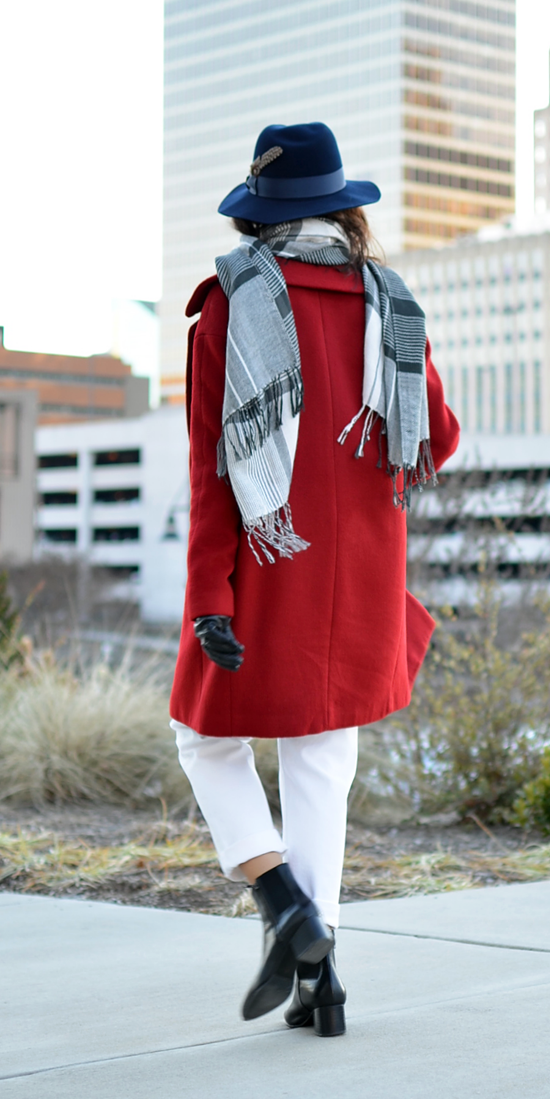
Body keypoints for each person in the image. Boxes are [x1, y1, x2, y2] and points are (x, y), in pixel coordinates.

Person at [169, 121, 460, 1037]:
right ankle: (321, 980)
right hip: (363, 570)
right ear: (342, 209)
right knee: (323, 761)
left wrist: (210, 596)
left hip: (269, 561)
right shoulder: (390, 301)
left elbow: (215, 470)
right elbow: (438, 439)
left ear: (264, 217)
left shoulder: (231, 304)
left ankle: (280, 900)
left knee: (203, 742)